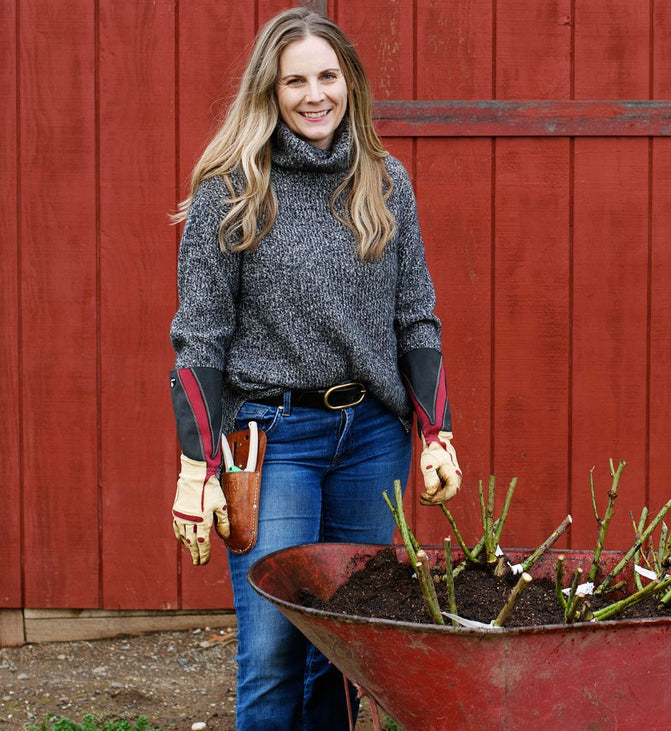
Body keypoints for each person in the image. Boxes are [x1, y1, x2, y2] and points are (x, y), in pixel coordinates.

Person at [166, 8, 462, 729]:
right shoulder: (231, 189)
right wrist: (195, 466)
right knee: (273, 650)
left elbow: (415, 316)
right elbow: (200, 337)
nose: (313, 94)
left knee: (344, 648)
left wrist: (437, 432)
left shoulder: (385, 182)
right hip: (273, 440)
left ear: (350, 85)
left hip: (370, 439)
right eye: (293, 80)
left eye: (327, 76)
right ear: (268, 92)